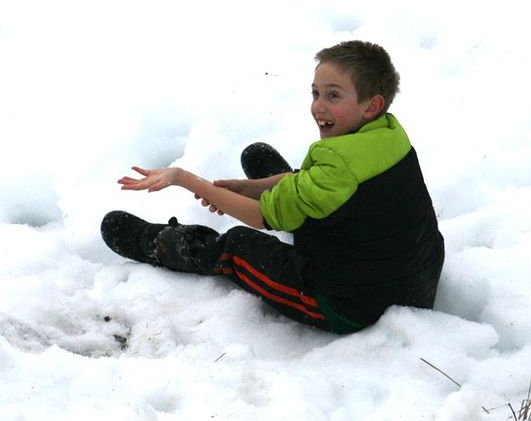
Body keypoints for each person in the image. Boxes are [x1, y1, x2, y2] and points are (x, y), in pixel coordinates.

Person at [101, 40, 444, 334]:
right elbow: (336, 188)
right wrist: (244, 187)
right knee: (312, 186)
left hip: (349, 306)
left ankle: (161, 245)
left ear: (372, 105)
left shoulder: (335, 167)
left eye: (333, 96)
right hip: (417, 276)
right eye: (316, 93)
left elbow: (260, 217)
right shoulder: (388, 134)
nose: (318, 106)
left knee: (238, 245)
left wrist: (185, 179)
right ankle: (290, 195)